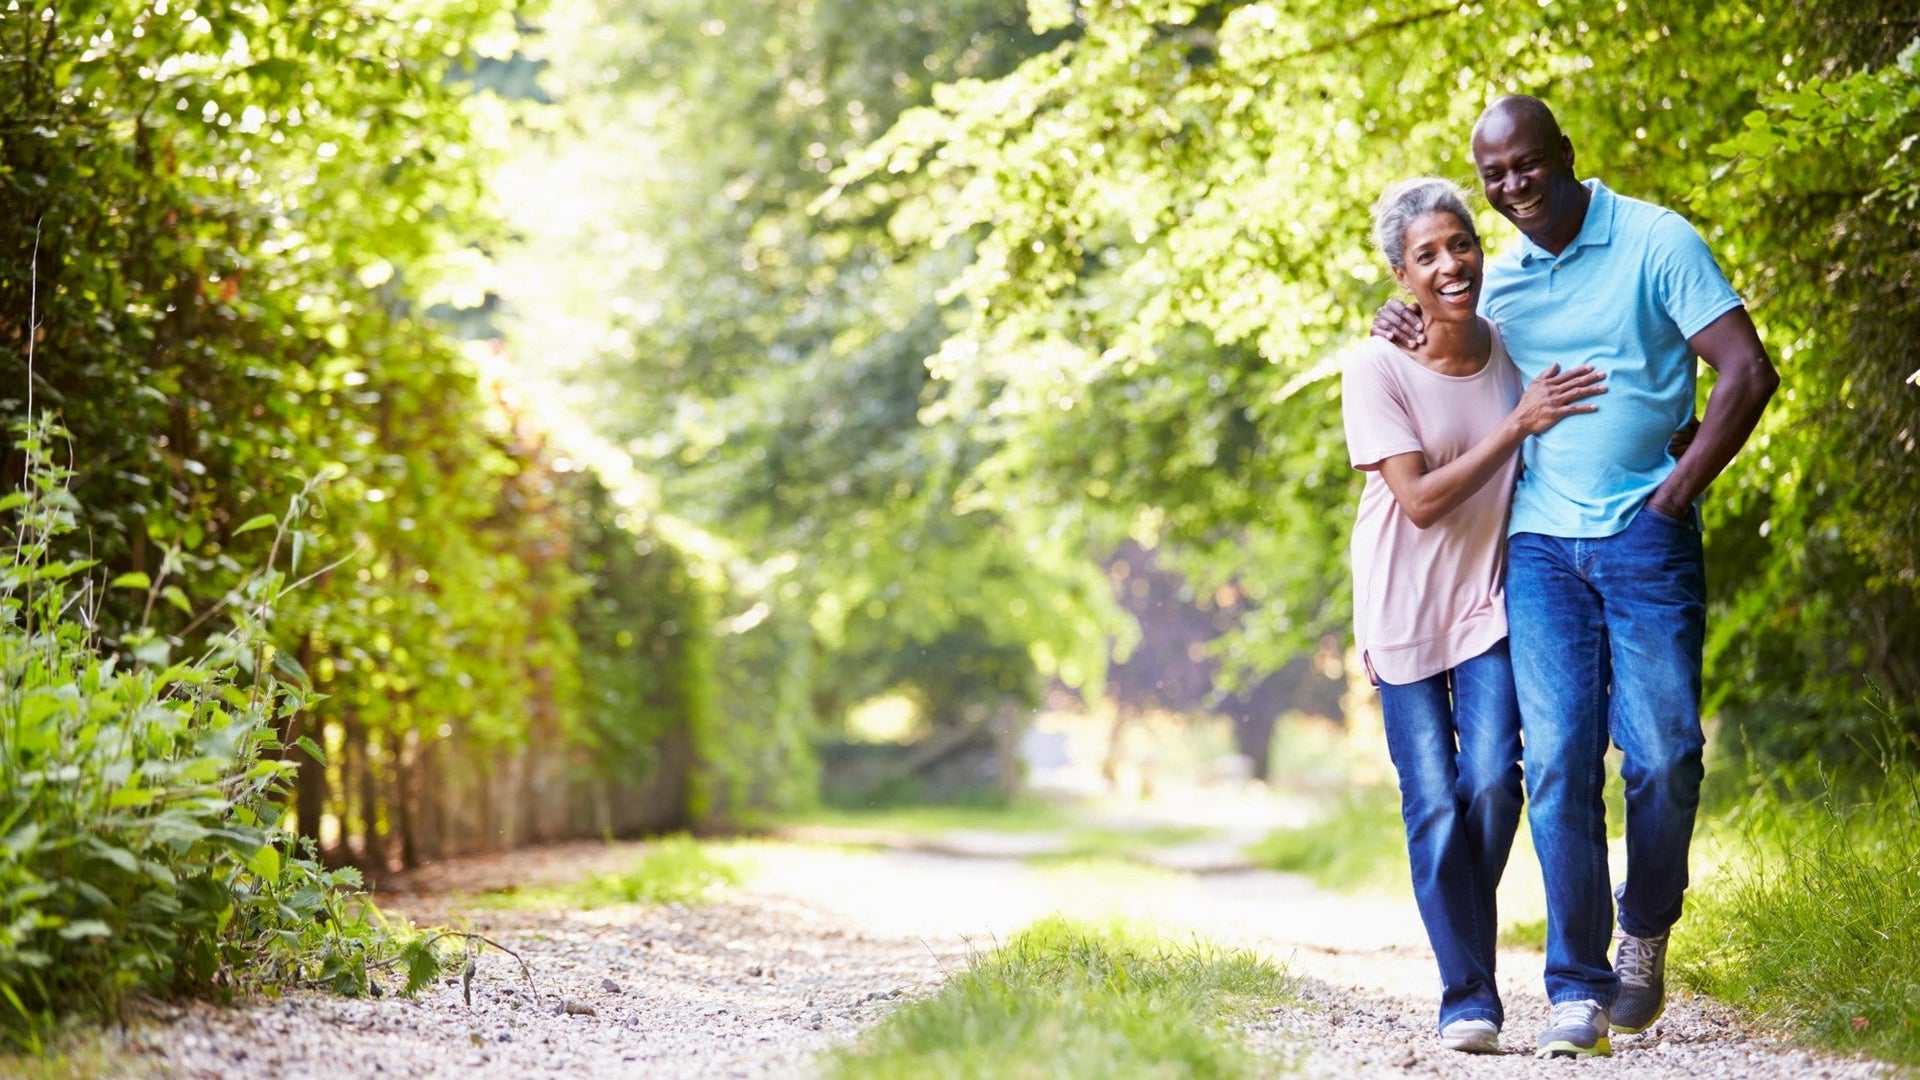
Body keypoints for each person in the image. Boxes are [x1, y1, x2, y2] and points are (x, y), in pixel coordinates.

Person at [1375, 96, 1779, 1059]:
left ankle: (1646, 926)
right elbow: (1443, 348)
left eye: (1527, 165)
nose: (1515, 187)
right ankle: (1577, 989)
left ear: (1563, 154)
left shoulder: (1655, 239)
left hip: (1647, 540)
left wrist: (1676, 493)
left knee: (1667, 753)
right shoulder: (1501, 282)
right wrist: (1398, 310)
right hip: (1542, 551)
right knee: (1556, 767)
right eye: (1495, 178)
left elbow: (1746, 372)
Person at [1342, 176, 1606, 1055]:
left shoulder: (1511, 344)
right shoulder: (1375, 364)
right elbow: (1417, 501)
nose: (1452, 264)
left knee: (1493, 779)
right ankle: (1468, 996)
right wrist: (1515, 427)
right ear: (1399, 274)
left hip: (1488, 601)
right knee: (1433, 805)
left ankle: (1456, 925)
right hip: (1400, 605)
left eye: (1461, 245)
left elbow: (1591, 379)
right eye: (1427, 256)